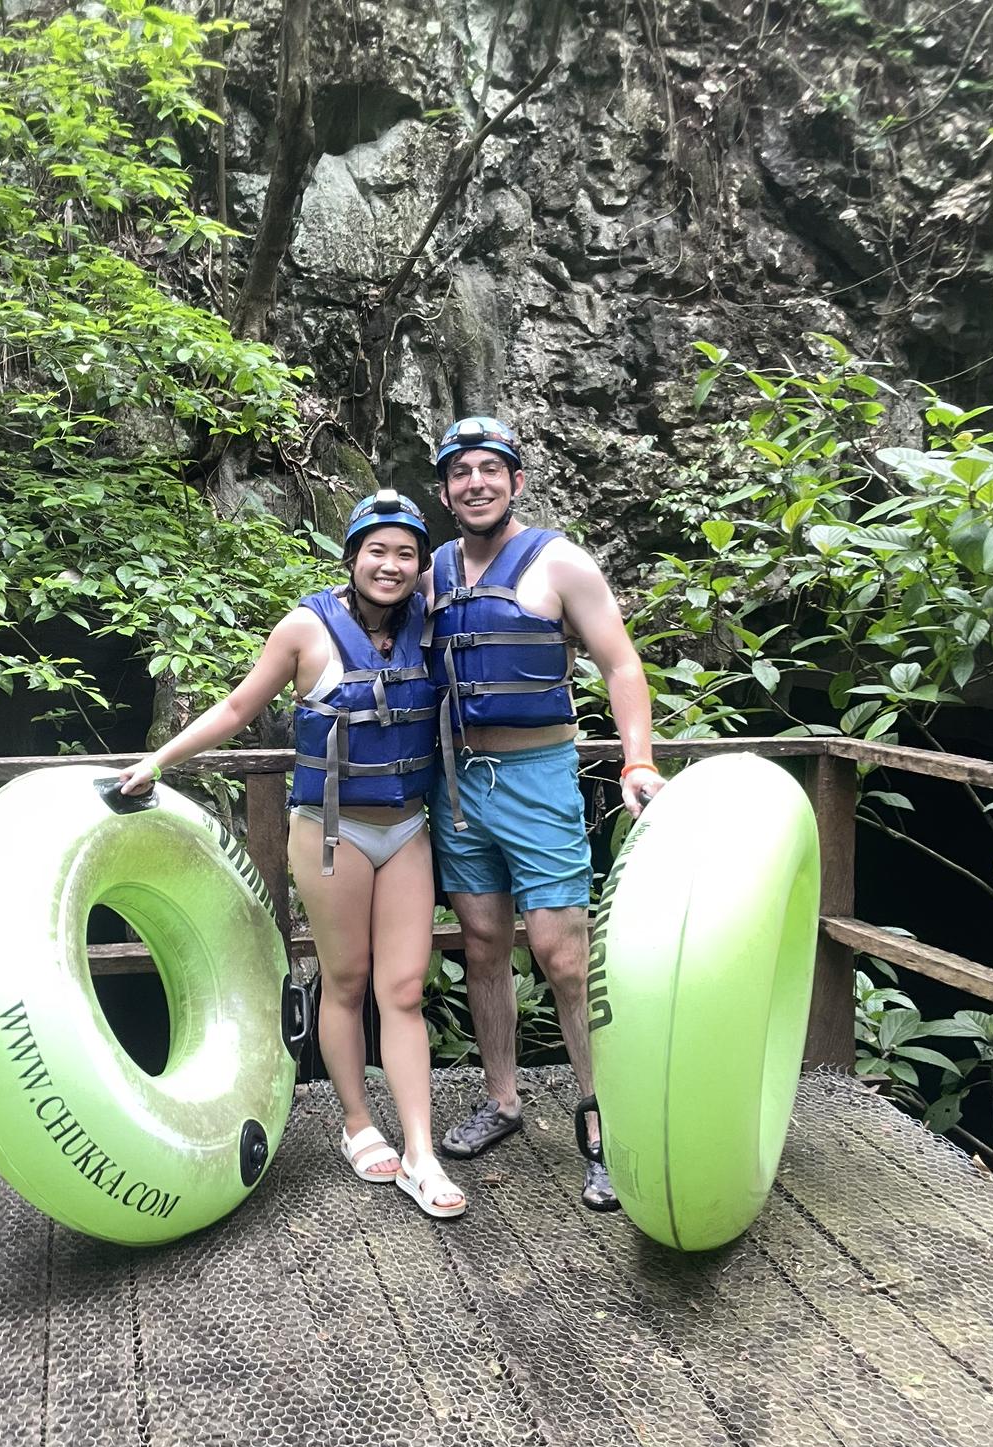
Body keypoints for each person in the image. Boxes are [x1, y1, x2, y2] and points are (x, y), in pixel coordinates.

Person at [116, 491, 467, 1219]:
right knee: (346, 982)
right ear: (352, 556)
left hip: (407, 827)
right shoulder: (307, 628)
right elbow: (239, 707)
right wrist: (161, 760)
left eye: (407, 553)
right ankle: (356, 1122)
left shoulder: (427, 624)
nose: (391, 566)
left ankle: (422, 1152)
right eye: (377, 550)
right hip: (332, 830)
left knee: (402, 991)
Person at [422, 416, 666, 1210]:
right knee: (484, 943)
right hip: (458, 784)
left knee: (564, 954)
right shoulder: (432, 571)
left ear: (516, 481)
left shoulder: (559, 562)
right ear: (447, 489)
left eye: (491, 469)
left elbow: (620, 663)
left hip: (538, 777)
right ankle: (502, 1100)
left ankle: (600, 1117)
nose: (476, 483)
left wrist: (637, 759)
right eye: (461, 472)